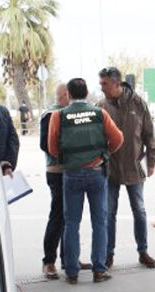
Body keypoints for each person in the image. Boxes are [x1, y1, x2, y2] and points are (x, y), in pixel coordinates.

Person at [48, 78, 124, 284]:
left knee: (71, 223)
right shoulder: (99, 114)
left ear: (69, 94)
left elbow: (52, 147)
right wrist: (104, 155)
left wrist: (68, 158)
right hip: (96, 173)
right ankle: (99, 270)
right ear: (87, 93)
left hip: (71, 174)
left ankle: (72, 273)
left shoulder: (59, 115)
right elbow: (118, 139)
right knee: (100, 222)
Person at [98, 67, 155, 270]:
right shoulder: (100, 106)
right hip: (111, 169)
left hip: (136, 166)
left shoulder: (137, 103)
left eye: (104, 84)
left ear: (117, 84)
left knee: (140, 211)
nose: (101, 88)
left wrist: (151, 161)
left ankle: (143, 252)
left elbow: (149, 134)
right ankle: (108, 254)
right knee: (108, 213)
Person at [39, 84, 91, 279]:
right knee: (58, 216)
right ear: (63, 95)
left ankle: (69, 258)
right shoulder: (50, 115)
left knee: (72, 217)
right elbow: (45, 144)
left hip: (73, 170)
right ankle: (49, 261)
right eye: (67, 95)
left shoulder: (70, 114)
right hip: (57, 171)